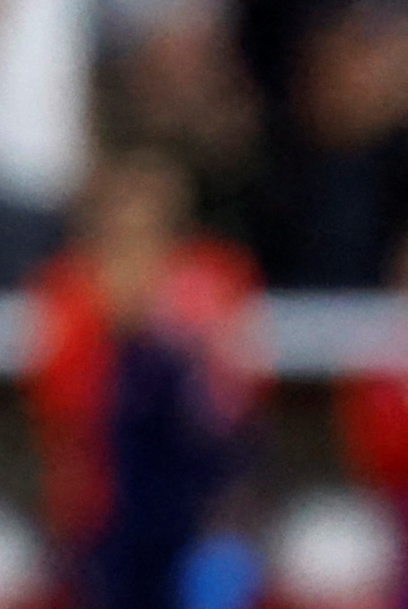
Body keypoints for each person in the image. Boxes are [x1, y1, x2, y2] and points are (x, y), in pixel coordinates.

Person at [27, 154, 258, 609]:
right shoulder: (66, 286)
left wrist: (169, 326)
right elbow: (58, 401)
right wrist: (117, 323)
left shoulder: (219, 274)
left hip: (202, 501)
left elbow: (238, 399)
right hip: (101, 504)